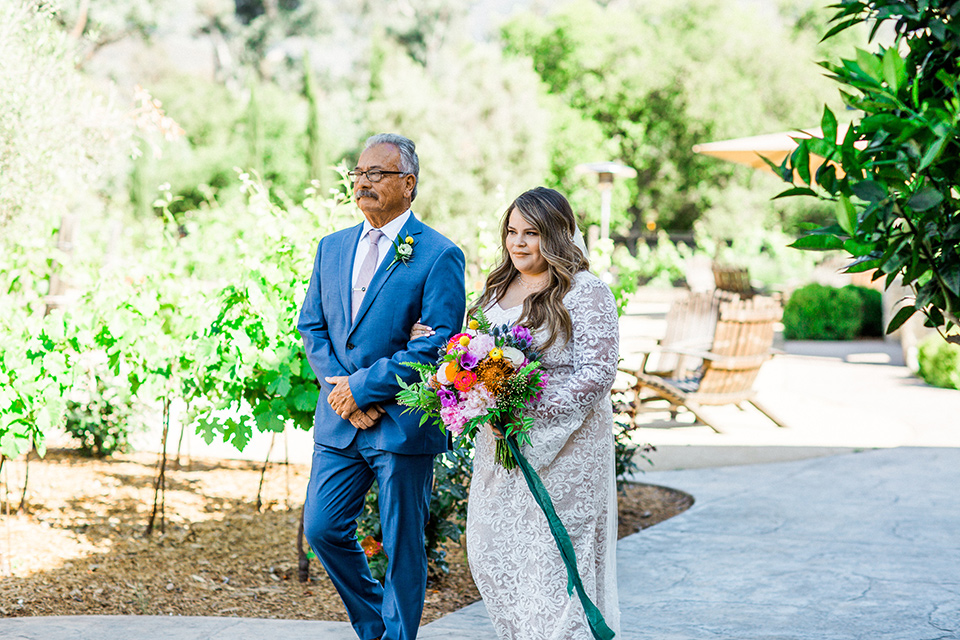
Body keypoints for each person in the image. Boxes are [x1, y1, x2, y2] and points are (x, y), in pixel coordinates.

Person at [412, 186, 621, 639]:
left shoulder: (586, 292)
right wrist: (459, 378)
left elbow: (598, 374)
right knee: (491, 552)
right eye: (512, 231)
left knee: (553, 565)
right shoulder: (496, 289)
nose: (518, 243)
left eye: (533, 233)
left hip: (569, 451)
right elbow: (469, 352)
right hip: (501, 445)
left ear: (560, 235)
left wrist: (524, 406)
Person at [298, 133, 466, 640]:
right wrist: (344, 397)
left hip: (400, 424)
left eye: (377, 174)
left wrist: (364, 390)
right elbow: (313, 326)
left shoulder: (439, 255)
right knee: (322, 529)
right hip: (340, 423)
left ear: (408, 184)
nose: (363, 182)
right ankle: (376, 626)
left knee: (403, 543)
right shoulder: (331, 248)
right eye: (359, 173)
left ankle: (398, 636)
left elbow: (436, 345)